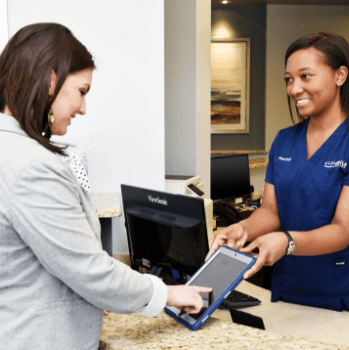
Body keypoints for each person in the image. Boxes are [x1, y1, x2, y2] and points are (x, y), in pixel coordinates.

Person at [0, 23, 211, 350]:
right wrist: (166, 293)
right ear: (50, 79)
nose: (82, 108)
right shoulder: (32, 167)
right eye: (82, 92)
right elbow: (88, 270)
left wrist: (95, 298)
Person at [207, 31, 349, 312]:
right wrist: (242, 229)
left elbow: (344, 229)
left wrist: (287, 242)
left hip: (339, 294)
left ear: (340, 75)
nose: (294, 89)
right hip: (287, 290)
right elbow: (271, 211)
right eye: (289, 79)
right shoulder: (284, 140)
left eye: (305, 76)